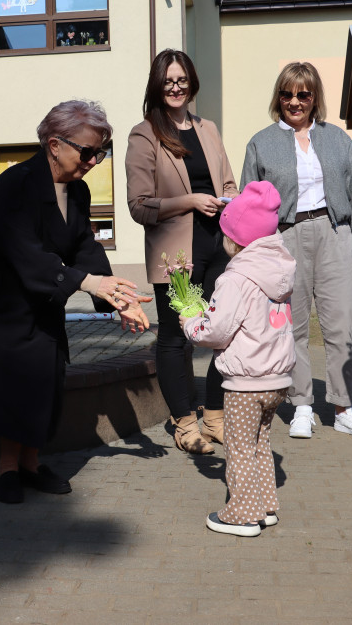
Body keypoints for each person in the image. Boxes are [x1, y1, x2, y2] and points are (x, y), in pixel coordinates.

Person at [0, 100, 151, 504]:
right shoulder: (16, 185)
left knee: (46, 373)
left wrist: (119, 297)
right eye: (87, 152)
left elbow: (84, 245)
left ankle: (31, 463)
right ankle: (7, 467)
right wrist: (91, 284)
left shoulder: (78, 190)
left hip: (38, 289)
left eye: (100, 153)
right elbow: (27, 253)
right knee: (11, 378)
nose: (93, 162)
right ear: (54, 145)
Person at [240, 62, 352, 440]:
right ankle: (302, 405)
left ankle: (344, 408)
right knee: (291, 327)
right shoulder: (261, 142)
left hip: (335, 233)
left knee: (342, 324)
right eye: (287, 94)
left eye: (303, 94)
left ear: (314, 97)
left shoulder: (336, 139)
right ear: (278, 97)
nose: (295, 102)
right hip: (286, 237)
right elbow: (250, 202)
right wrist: (254, 253)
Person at [125, 49, 238, 454]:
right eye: (168, 81)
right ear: (157, 85)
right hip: (178, 258)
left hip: (219, 246)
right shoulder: (144, 134)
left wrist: (230, 201)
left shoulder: (208, 128)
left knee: (223, 332)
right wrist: (189, 201)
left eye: (182, 80)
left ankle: (215, 418)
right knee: (176, 338)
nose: (176, 87)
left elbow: (229, 184)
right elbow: (139, 205)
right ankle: (184, 422)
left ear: (192, 83)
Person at [180, 181, 296, 537]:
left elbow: (216, 331)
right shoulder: (279, 270)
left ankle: (242, 515)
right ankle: (265, 505)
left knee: (239, 448)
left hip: (246, 382)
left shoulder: (235, 278)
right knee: (260, 444)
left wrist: (190, 322)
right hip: (277, 379)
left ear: (235, 238)